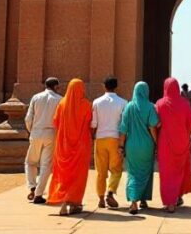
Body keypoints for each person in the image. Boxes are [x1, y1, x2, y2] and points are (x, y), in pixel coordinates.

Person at [47, 78, 93, 216]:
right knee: (78, 176)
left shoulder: (62, 103)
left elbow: (56, 122)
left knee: (64, 174)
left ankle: (63, 201)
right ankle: (74, 203)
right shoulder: (86, 104)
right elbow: (90, 123)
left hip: (64, 145)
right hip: (81, 145)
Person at [155, 77, 191, 213]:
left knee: (167, 173)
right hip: (182, 142)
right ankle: (177, 197)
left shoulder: (160, 104)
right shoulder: (185, 103)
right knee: (179, 171)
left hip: (165, 144)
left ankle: (169, 202)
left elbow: (155, 124)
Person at [118, 81, 158, 215]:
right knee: (146, 172)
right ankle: (142, 200)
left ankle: (134, 201)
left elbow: (123, 129)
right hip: (147, 146)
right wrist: (156, 143)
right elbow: (153, 126)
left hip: (132, 146)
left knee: (133, 173)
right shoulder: (151, 107)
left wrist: (121, 146)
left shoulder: (129, 107)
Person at [24, 77, 62, 204]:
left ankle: (32, 186)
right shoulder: (59, 99)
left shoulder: (36, 97)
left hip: (36, 131)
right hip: (51, 133)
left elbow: (28, 118)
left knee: (30, 162)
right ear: (55, 86)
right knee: (46, 165)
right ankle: (39, 194)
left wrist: (31, 131)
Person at [91, 76, 127, 209]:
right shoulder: (123, 103)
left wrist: (92, 138)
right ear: (116, 86)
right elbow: (124, 124)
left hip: (100, 138)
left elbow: (93, 123)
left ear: (103, 86)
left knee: (100, 171)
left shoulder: (96, 102)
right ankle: (110, 192)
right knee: (116, 170)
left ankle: (100, 198)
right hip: (115, 139)